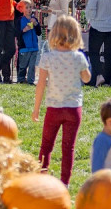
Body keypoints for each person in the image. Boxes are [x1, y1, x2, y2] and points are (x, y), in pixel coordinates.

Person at [32, 16, 91, 185]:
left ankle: (42, 176)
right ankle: (64, 182)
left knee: (46, 145)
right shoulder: (78, 57)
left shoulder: (48, 58)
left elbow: (41, 85)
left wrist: (36, 109)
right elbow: (87, 79)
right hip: (73, 108)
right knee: (68, 147)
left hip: (54, 108)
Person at [15, 0, 41, 85]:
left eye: (30, 7)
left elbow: (39, 32)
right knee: (23, 65)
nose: (29, 9)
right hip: (24, 48)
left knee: (32, 66)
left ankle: (30, 80)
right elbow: (17, 34)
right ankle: (21, 79)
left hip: (34, 47)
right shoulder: (20, 20)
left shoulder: (34, 19)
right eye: (27, 7)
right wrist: (24, 30)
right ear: (22, 9)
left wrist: (36, 24)